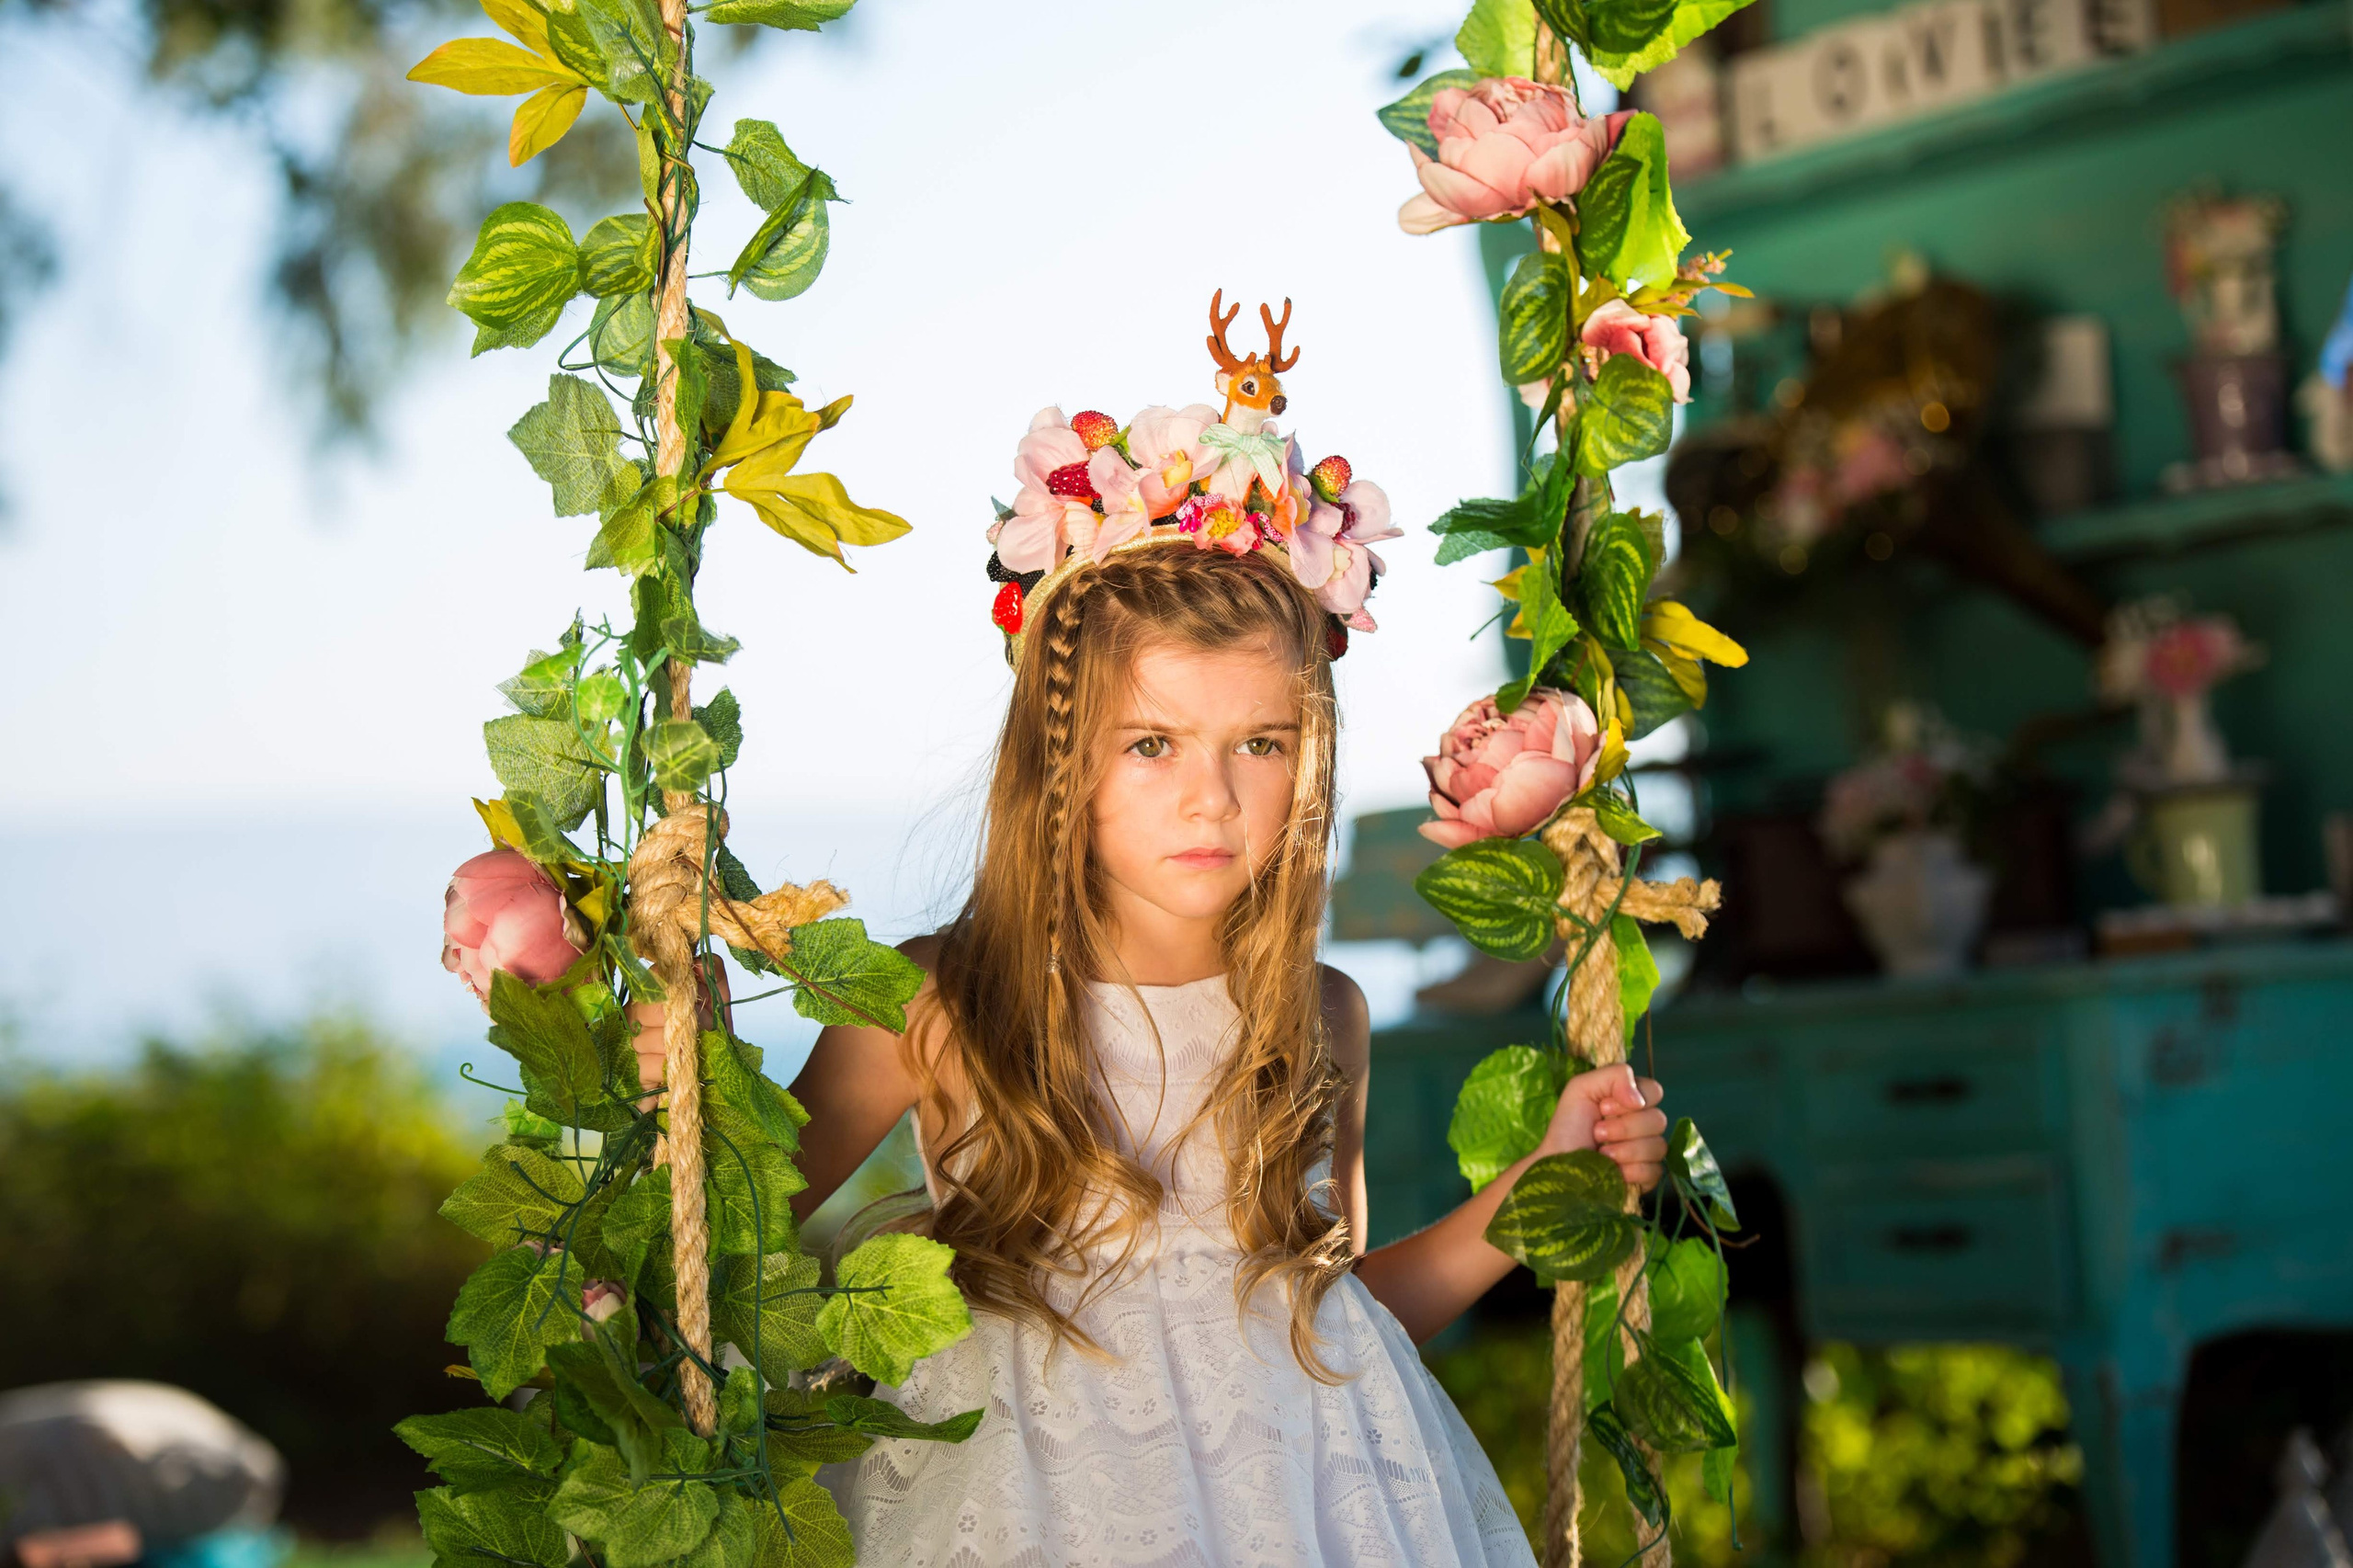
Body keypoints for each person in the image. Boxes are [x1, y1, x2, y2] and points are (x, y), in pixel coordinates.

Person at [687, 373, 1666, 1562]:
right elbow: (722, 1239)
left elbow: (1335, 1328)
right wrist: (683, 1090)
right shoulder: (940, 1001)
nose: (1212, 795)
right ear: (1063, 760)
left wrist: (1536, 1190)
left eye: (1261, 743)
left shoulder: (1317, 1015)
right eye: (1151, 745)